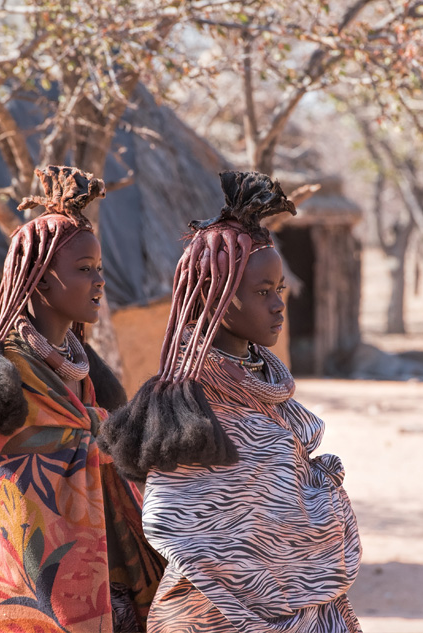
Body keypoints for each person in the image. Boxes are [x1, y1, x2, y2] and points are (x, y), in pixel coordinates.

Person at [0, 165, 164, 632]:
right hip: (10, 595)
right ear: (39, 280)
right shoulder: (2, 376)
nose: (100, 281)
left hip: (98, 583)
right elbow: (11, 492)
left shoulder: (81, 370)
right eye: (84, 270)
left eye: (99, 268)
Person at [100, 171, 363, 633]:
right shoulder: (192, 410)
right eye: (262, 292)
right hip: (211, 620)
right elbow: (171, 518)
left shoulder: (269, 397)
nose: (279, 305)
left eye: (278, 290)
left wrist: (318, 500)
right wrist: (324, 502)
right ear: (212, 297)